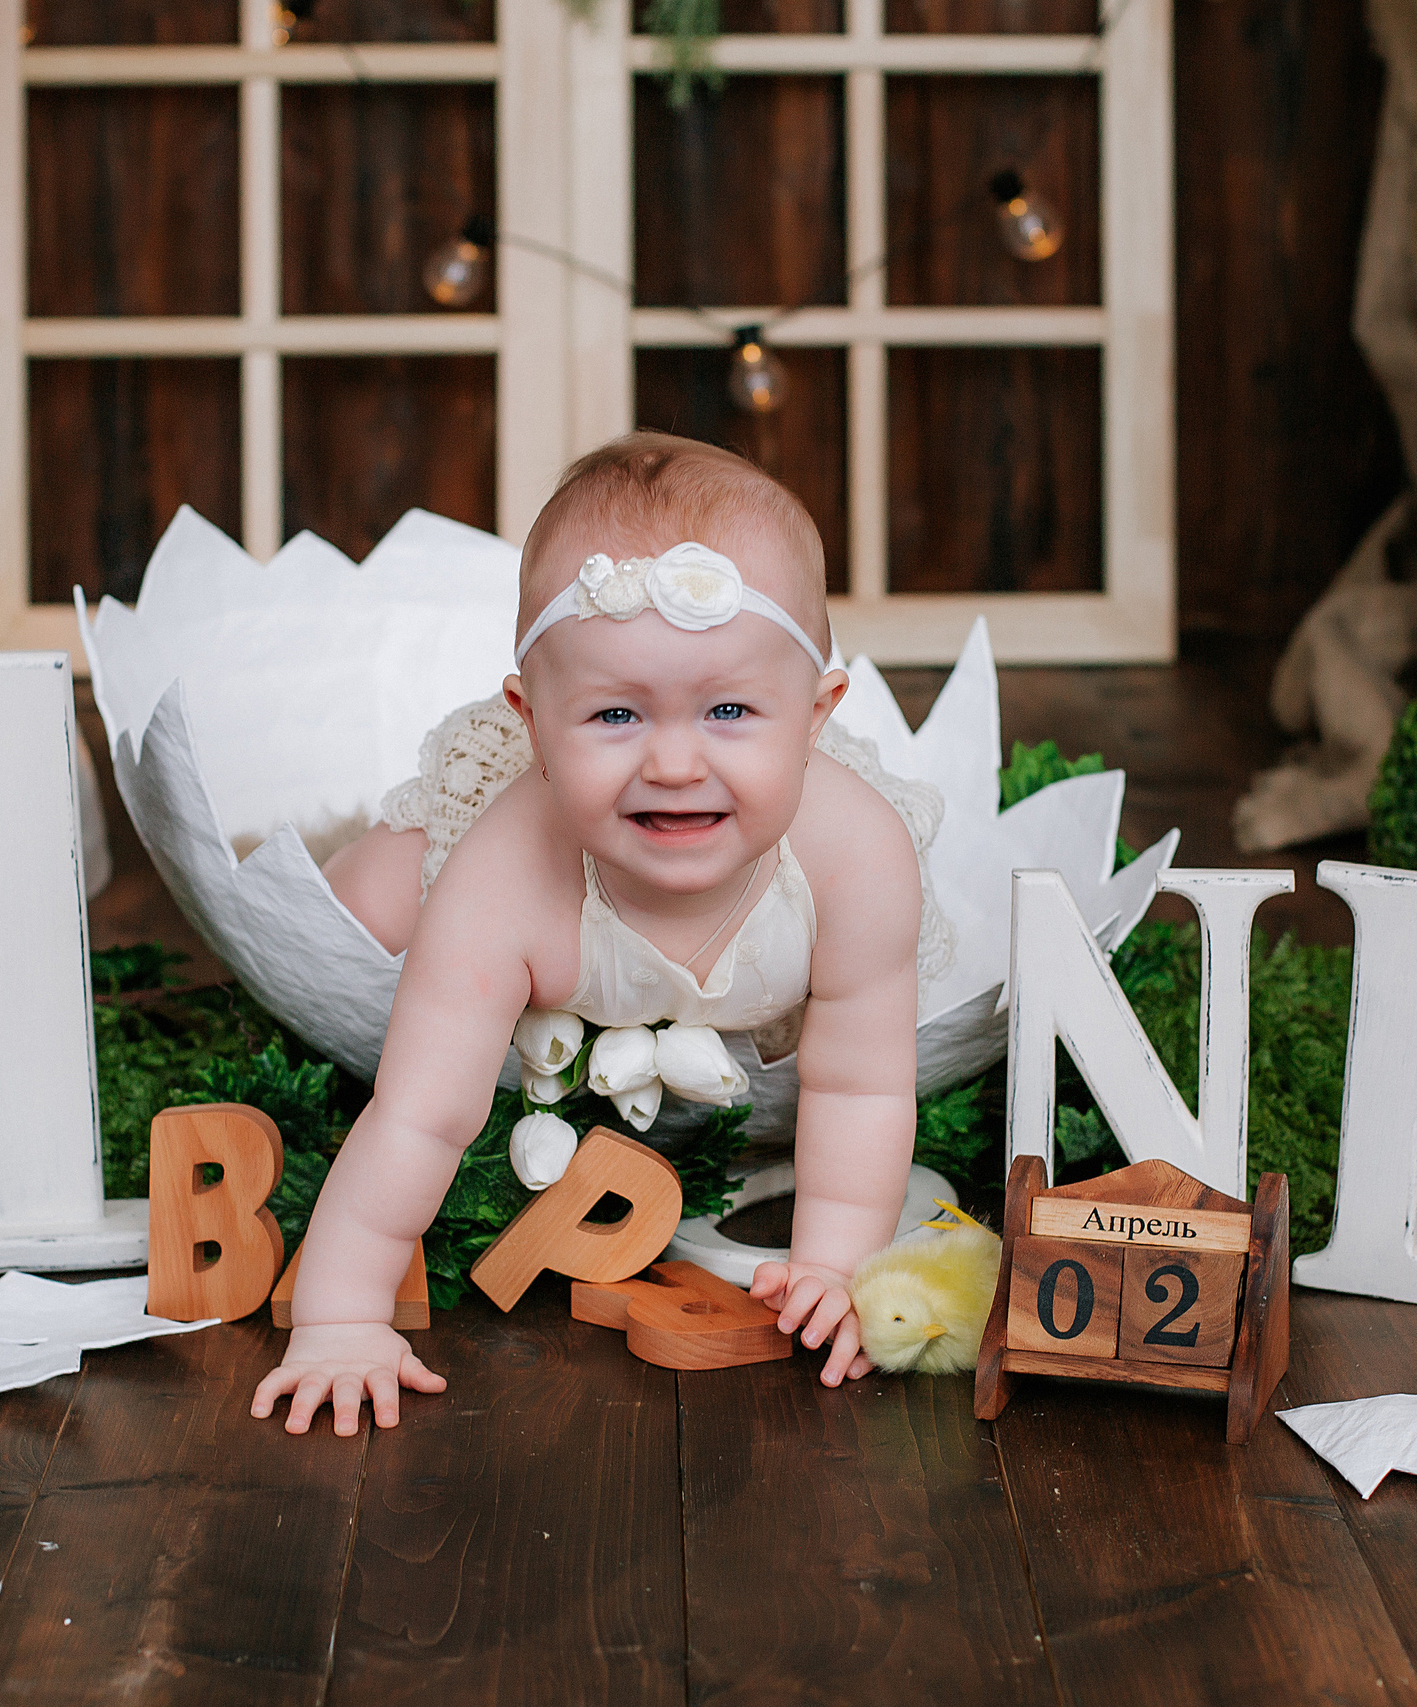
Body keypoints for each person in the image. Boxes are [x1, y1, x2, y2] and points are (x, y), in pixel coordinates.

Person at [253, 432, 935, 1435]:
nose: (671, 763)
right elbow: (419, 1117)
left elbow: (857, 1082)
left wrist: (832, 1264)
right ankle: (327, 854)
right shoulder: (498, 878)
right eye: (615, 714)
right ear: (531, 723)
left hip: (776, 894)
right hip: (505, 872)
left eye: (731, 710)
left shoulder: (857, 861)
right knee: (351, 912)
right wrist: (340, 1316)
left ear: (816, 716)